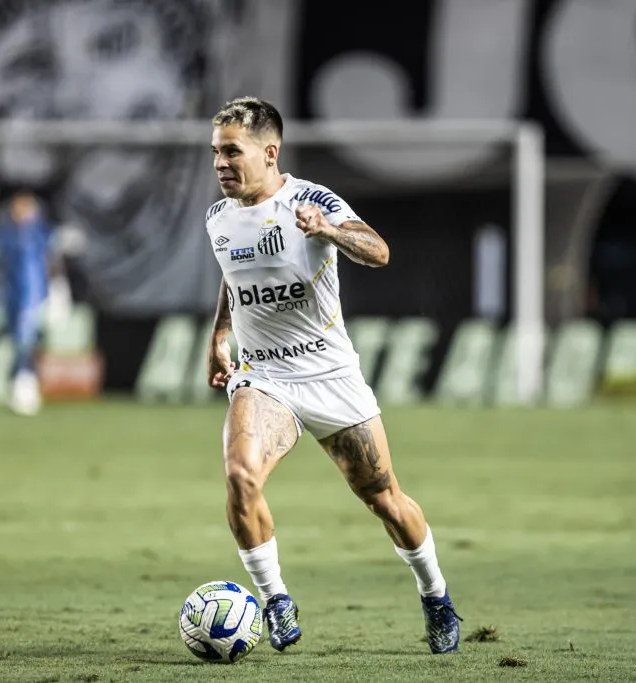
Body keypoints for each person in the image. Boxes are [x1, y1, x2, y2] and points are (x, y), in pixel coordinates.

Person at [204, 96, 461, 654]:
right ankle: (275, 600)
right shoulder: (218, 217)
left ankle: (436, 595)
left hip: (330, 375)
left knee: (385, 499)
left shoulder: (312, 201)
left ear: (270, 153)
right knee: (241, 477)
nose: (220, 163)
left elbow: (379, 251)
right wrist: (219, 335)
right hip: (263, 377)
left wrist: (329, 230)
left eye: (232, 151)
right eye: (216, 152)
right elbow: (232, 274)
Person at [0, 190, 71, 415]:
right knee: (16, 338)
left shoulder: (42, 232)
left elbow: (52, 260)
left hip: (34, 294)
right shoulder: (4, 232)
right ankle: (20, 382)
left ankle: (27, 384)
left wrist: (58, 289)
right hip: (10, 293)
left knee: (28, 337)